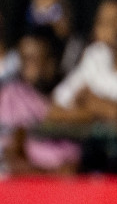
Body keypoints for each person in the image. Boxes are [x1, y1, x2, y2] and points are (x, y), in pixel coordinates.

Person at [0, 29, 80, 176]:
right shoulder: (10, 96)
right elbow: (11, 159)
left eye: (34, 59)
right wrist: (52, 176)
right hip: (30, 187)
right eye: (24, 59)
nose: (27, 67)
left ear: (51, 62)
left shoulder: (68, 92)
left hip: (72, 184)